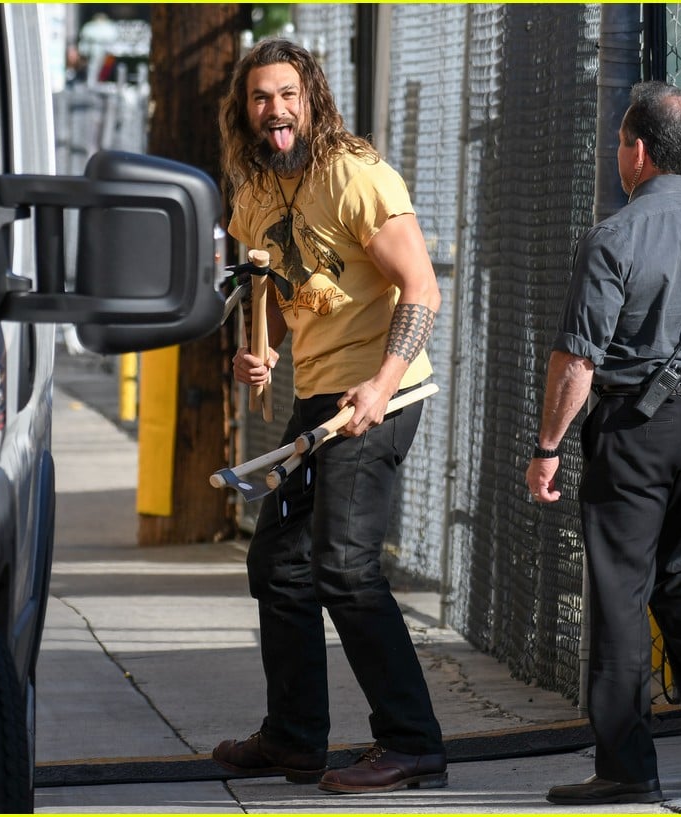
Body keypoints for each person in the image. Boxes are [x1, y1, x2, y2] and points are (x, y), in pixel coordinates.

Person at [525, 80, 681, 805]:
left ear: (637, 151)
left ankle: (626, 767)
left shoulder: (617, 235)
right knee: (674, 575)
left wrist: (547, 446)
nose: (617, 154)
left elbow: (578, 358)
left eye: (619, 142)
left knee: (619, 591)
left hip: (637, 431)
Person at [211, 37, 447, 795]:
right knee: (277, 561)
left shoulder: (354, 174)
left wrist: (379, 386)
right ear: (244, 112)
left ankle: (412, 743)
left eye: (286, 95)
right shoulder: (252, 193)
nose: (274, 110)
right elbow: (284, 288)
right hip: (319, 397)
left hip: (380, 395)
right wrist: (269, 352)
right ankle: (294, 740)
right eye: (259, 98)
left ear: (309, 98)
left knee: (342, 566)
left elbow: (421, 287)